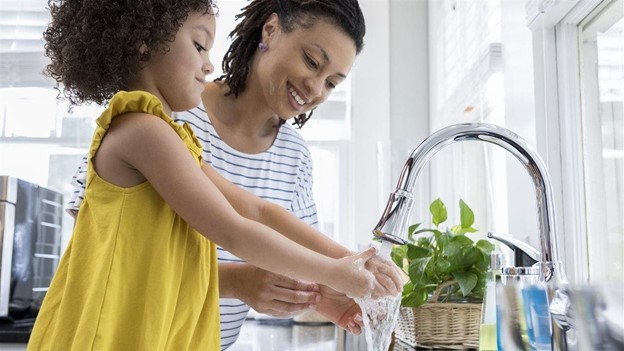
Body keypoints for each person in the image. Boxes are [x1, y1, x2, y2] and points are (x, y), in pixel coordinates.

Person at [29, 0, 402, 350]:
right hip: (110, 334)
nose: (208, 65)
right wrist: (339, 274)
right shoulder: (146, 131)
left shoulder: (173, 137)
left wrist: (351, 263)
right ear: (145, 40)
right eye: (199, 46)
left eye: (332, 82)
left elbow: (258, 212)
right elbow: (232, 230)